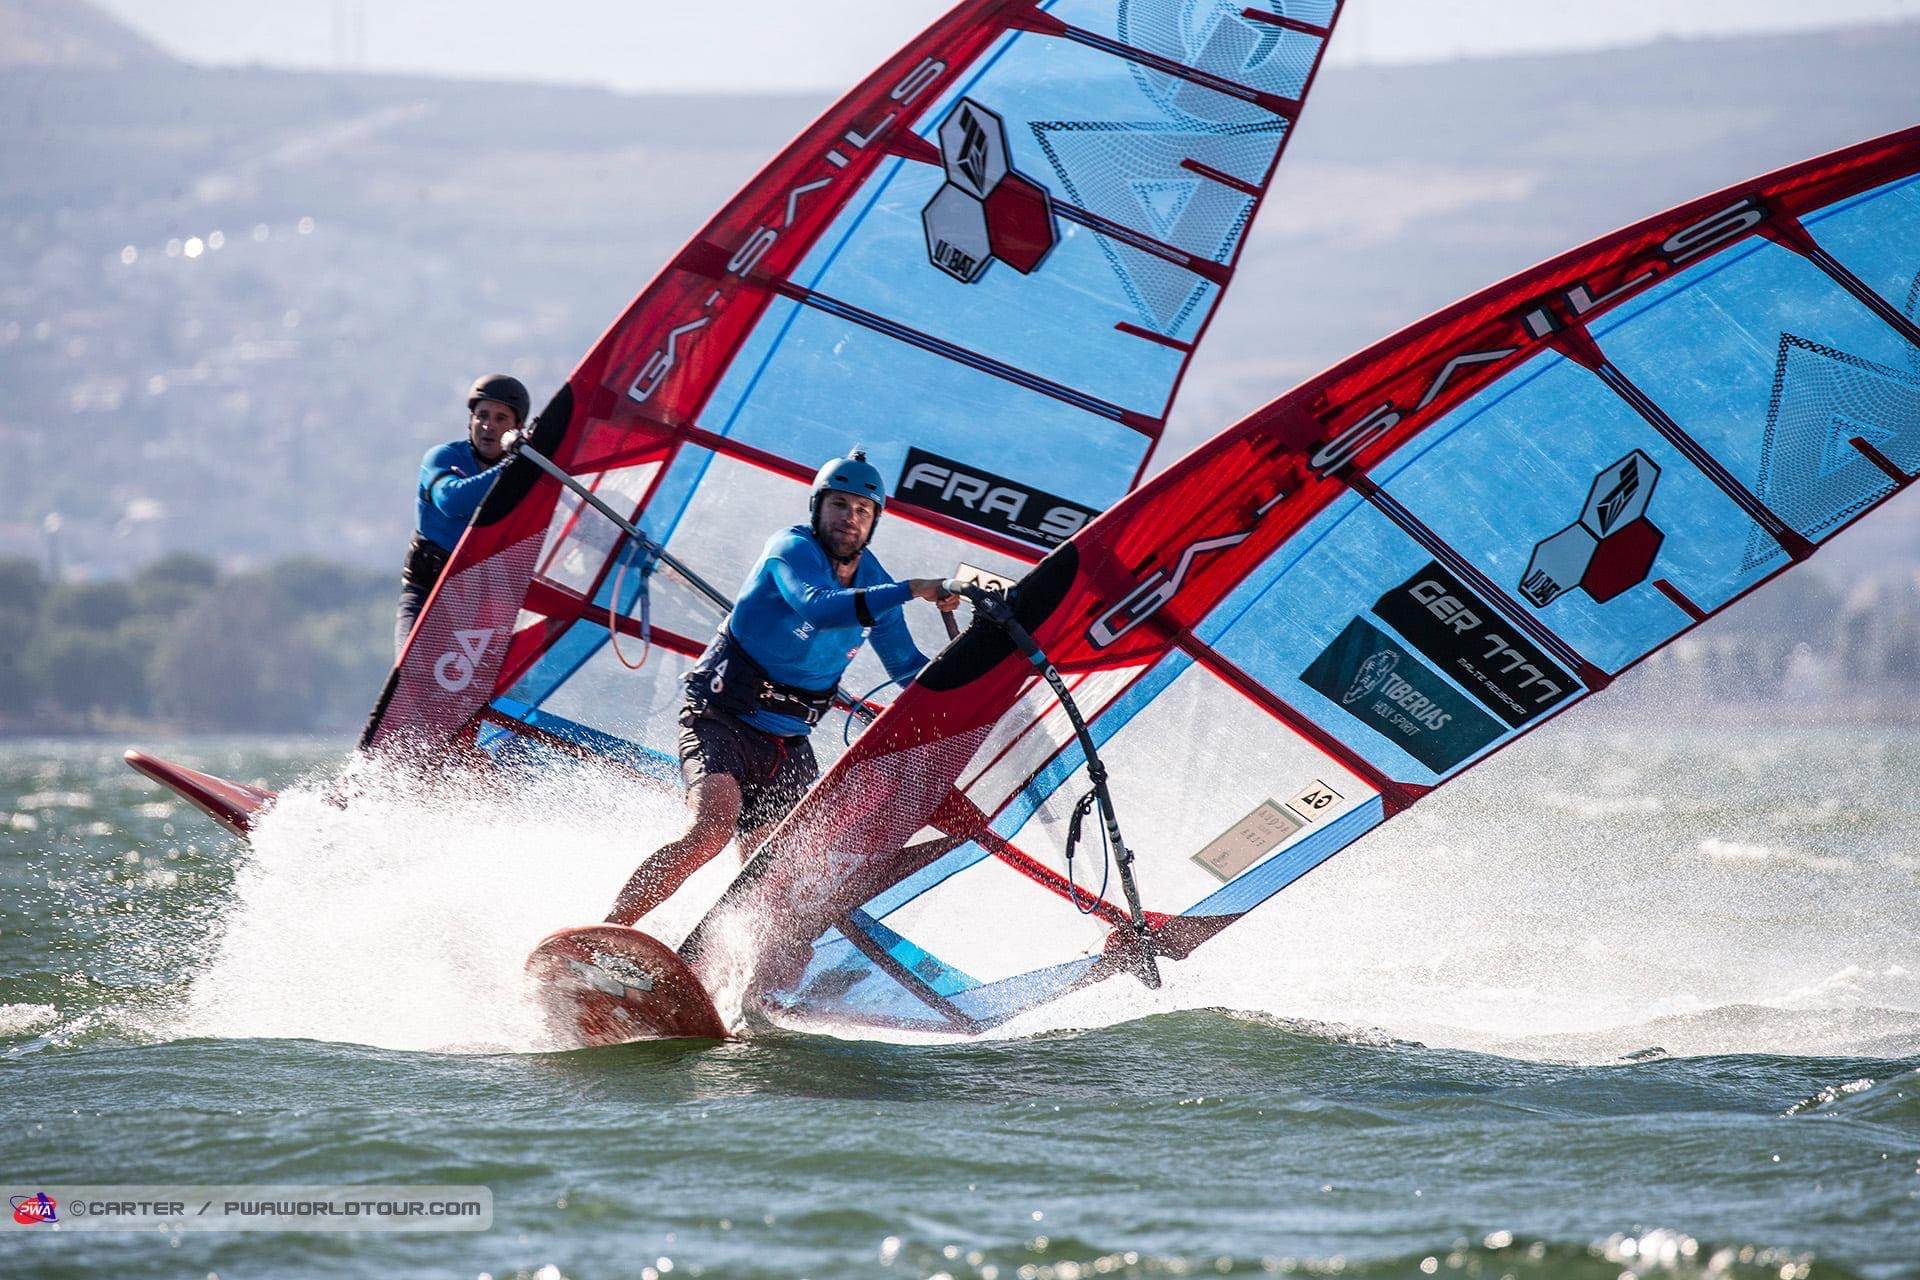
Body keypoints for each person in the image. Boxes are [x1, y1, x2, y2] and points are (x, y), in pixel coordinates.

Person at [605, 449, 958, 928]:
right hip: (721, 720)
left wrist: (977, 657)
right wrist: (913, 588)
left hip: (787, 747)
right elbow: (818, 606)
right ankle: (609, 930)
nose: (849, 518)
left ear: (874, 521)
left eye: (862, 510)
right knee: (711, 831)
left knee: (771, 881)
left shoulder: (876, 582)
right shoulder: (790, 548)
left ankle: (725, 963)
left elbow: (907, 669)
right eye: (839, 504)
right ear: (817, 506)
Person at [394, 374, 529, 657]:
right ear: (470, 420)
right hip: (426, 598)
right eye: (482, 415)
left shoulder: (525, 479)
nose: (488, 425)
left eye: (500, 418)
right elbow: (452, 500)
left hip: (480, 612)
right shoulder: (442, 457)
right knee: (409, 670)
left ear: (517, 428)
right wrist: (514, 465)